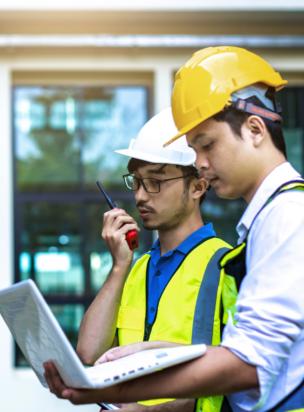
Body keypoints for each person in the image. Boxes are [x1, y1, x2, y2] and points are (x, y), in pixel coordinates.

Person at [43, 46, 304, 412]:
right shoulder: (268, 223)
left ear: (255, 129)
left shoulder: (292, 215)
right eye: (194, 149)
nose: (201, 163)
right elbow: (248, 357)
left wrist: (113, 391)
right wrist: (156, 352)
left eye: (207, 145)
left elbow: (249, 365)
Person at [77, 109, 234, 412]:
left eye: (155, 182)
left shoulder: (228, 266)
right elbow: (88, 353)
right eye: (136, 182)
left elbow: (233, 379)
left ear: (198, 186)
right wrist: (119, 266)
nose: (140, 196)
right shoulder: (135, 269)